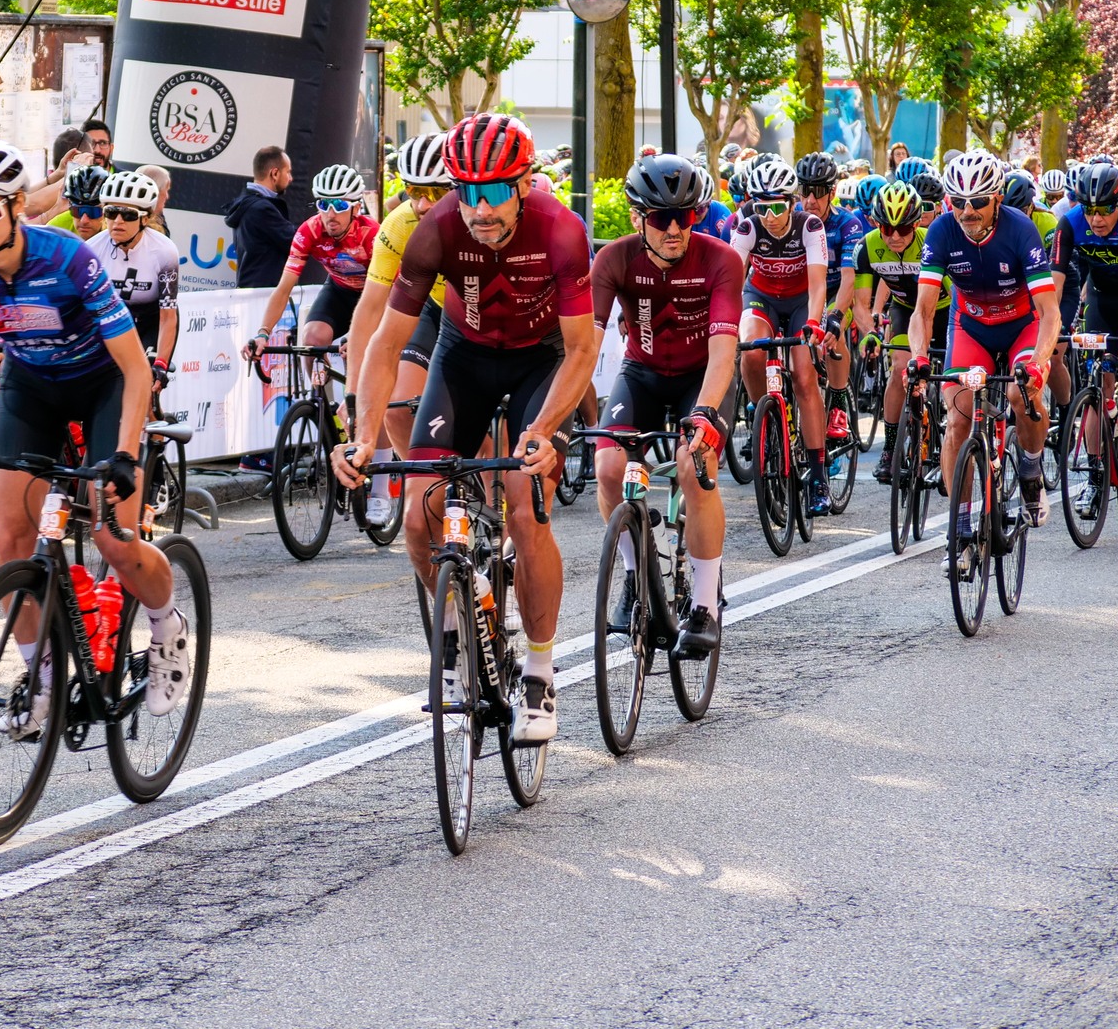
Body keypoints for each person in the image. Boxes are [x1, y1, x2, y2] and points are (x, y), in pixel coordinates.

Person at [333, 114, 598, 745]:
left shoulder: (562, 231)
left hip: (541, 359)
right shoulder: (435, 230)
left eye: (493, 191)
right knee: (422, 510)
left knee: (525, 507)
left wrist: (542, 430)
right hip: (465, 357)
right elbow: (385, 340)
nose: (477, 207)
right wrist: (364, 433)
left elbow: (583, 349)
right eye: (465, 190)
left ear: (525, 183)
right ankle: (459, 611)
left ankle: (538, 669)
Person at [0, 138, 185, 735]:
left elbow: (136, 369)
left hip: (102, 384)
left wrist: (122, 453)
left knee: (112, 532)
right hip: (30, 386)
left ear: (17, 204)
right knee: (10, 535)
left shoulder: (70, 258)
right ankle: (41, 677)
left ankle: (168, 628)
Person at [591, 154, 742, 659]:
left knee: (692, 465)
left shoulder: (721, 260)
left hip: (703, 378)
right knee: (609, 466)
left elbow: (725, 350)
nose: (676, 228)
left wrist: (703, 413)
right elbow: (585, 347)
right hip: (644, 373)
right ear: (638, 217)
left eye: (687, 216)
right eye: (661, 218)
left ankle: (704, 605)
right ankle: (635, 577)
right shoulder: (613, 259)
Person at [906, 151, 1060, 555]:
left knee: (1019, 393)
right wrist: (919, 358)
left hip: (1020, 327)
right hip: (971, 326)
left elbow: (1049, 312)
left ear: (996, 199)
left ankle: (1029, 468)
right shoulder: (941, 232)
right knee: (956, 415)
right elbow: (923, 308)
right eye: (958, 202)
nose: (967, 211)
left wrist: (1039, 364)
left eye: (976, 202)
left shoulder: (1020, 230)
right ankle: (957, 531)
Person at [344, 133, 452, 534]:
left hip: (484, 320)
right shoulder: (400, 224)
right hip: (435, 309)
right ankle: (425, 483)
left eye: (434, 191)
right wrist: (354, 396)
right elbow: (370, 310)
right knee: (396, 407)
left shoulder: (482, 219)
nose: (422, 203)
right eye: (412, 190)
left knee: (494, 441)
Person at [730, 157, 833, 519]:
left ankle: (818, 476)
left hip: (801, 301)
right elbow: (731, 283)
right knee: (751, 352)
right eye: (761, 207)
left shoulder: (810, 225)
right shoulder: (747, 228)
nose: (769, 215)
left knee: (805, 377)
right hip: (761, 298)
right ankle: (765, 418)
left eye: (777, 206)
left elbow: (818, 283)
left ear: (792, 202)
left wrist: (816, 323)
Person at [1049, 162, 1118, 444]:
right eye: (1089, 209)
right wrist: (1048, 328)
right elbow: (1055, 284)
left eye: (1105, 209)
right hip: (1103, 296)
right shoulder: (1069, 223)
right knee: (1100, 388)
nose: (1096, 219)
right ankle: (1095, 476)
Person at [853, 180, 942, 486]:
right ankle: (890, 450)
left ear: (916, 223)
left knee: (951, 379)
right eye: (885, 228)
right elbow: (860, 305)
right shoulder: (867, 247)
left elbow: (961, 292)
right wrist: (870, 334)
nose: (893, 236)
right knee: (899, 371)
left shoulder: (933, 242)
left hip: (945, 311)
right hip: (904, 309)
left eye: (903, 229)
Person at [244, 164, 377, 358]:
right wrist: (263, 334)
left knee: (359, 349)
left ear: (356, 208)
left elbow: (386, 293)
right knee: (312, 340)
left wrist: (360, 334)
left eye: (339, 205)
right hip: (339, 290)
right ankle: (319, 386)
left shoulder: (371, 234)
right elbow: (283, 289)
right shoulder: (310, 232)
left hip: (375, 295)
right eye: (323, 205)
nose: (330, 215)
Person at [85, 170, 181, 385]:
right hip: (112, 322)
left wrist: (161, 366)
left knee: (146, 383)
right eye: (111, 213)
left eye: (127, 215)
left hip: (152, 320)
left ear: (145, 218)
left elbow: (168, 317)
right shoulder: (91, 250)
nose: (118, 221)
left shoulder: (164, 251)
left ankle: (152, 413)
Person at [796, 151, 863, 443]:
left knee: (831, 336)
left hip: (837, 290)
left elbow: (850, 278)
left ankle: (837, 404)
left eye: (819, 191)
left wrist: (836, 318)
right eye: (804, 190)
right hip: (805, 290)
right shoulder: (791, 220)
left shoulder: (848, 225)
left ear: (832, 193)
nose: (810, 199)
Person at [225, 146, 296, 289]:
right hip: (261, 296)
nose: (291, 178)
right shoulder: (261, 209)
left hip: (254, 292)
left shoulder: (248, 203)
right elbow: (297, 240)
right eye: (288, 172)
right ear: (274, 173)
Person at [137, 163, 173, 235]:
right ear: (154, 192)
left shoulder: (158, 219)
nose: (167, 196)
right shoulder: (134, 225)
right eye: (166, 191)